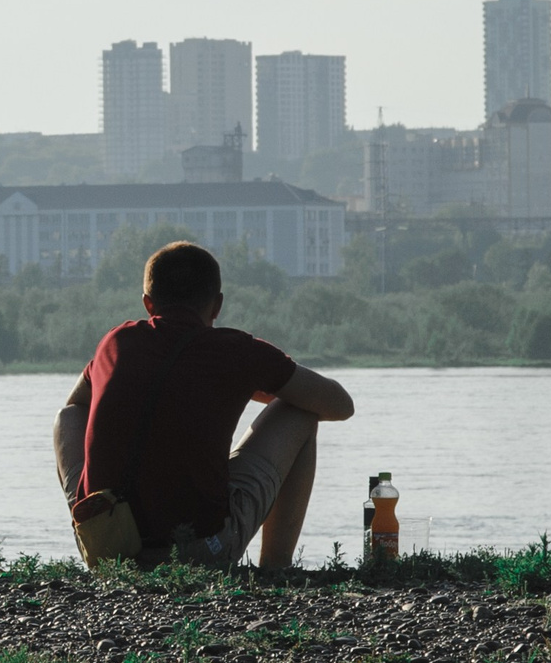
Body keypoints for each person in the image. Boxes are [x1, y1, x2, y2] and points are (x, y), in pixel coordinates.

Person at [52, 239, 353, 571]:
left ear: (148, 304)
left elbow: (77, 405)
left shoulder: (117, 341)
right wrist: (249, 384)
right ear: (217, 305)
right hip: (199, 552)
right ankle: (275, 568)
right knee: (301, 413)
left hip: (107, 542)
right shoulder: (237, 351)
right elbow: (340, 405)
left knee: (67, 417)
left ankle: (92, 527)